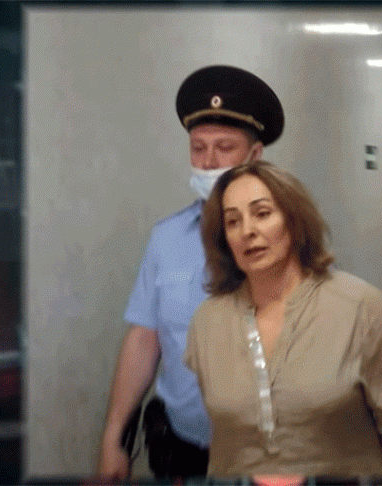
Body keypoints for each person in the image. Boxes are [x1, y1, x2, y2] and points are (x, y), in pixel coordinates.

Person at [97, 65, 285, 481]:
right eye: (198, 148)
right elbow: (144, 338)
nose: (209, 161)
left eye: (224, 147)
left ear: (255, 156)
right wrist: (113, 438)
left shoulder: (291, 237)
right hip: (184, 452)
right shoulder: (166, 239)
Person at [185, 160, 382, 477]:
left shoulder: (361, 307)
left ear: (294, 222)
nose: (247, 231)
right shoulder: (208, 322)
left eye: (262, 213)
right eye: (233, 221)